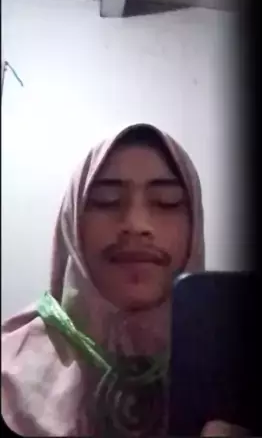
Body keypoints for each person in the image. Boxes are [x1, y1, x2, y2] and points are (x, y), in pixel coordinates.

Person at [1, 123, 244, 437]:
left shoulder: (239, 369)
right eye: (107, 200)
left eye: (167, 201)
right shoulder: (8, 372)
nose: (136, 224)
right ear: (72, 224)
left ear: (194, 227)